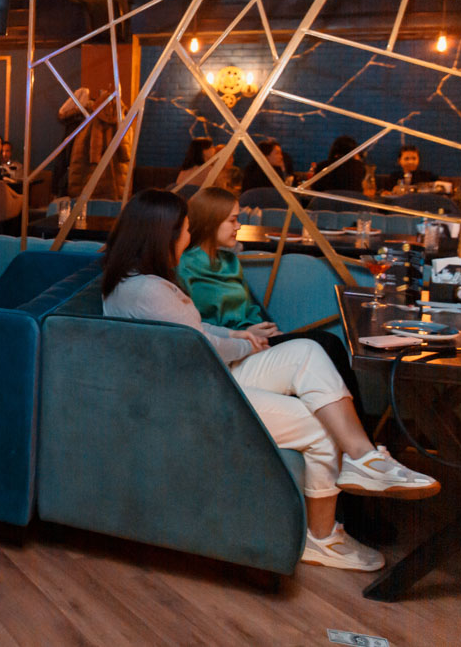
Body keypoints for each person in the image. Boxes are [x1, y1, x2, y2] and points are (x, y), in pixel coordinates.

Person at [102, 189, 440, 572]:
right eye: (184, 229)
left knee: (308, 351)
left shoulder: (138, 281)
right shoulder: (150, 290)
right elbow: (200, 348)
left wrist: (237, 335)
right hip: (198, 394)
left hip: (203, 376)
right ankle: (322, 538)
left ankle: (363, 458)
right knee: (319, 422)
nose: (188, 236)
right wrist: (244, 345)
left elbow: (193, 332)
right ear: (162, 234)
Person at [177, 187, 361, 398]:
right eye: (232, 220)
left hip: (256, 338)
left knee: (329, 344)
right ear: (211, 222)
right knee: (327, 343)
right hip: (228, 347)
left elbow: (249, 308)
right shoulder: (184, 266)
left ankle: (350, 416)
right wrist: (246, 333)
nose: (238, 226)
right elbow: (192, 324)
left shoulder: (229, 262)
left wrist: (268, 331)